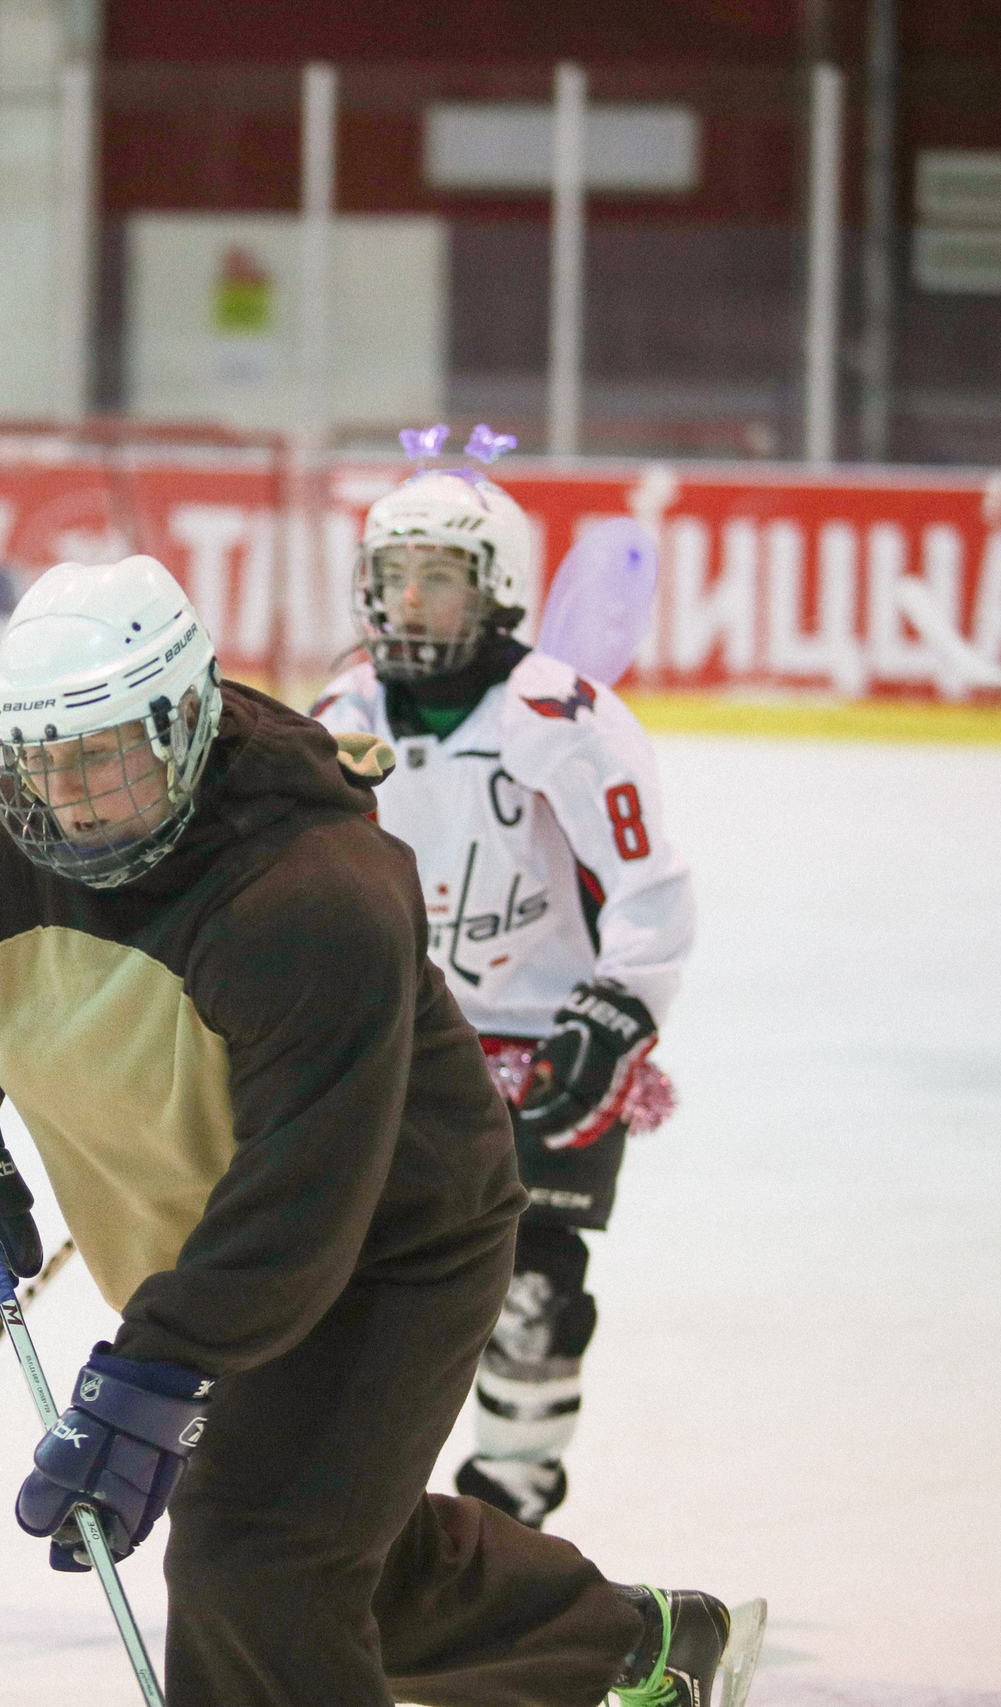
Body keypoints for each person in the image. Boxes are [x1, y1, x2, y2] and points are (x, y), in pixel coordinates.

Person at [0, 555, 758, 1707]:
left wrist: (153, 1370)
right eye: (43, 758)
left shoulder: (309, 895)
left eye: (105, 755)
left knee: (257, 1561)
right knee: (332, 1542)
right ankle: (635, 1643)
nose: (69, 796)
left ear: (184, 721)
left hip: (389, 1246)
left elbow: (303, 1200)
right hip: (202, 1236)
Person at [310, 460, 693, 1531]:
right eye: (393, 576)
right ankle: (361, 1514)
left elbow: (650, 885)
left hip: (547, 1036)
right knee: (368, 1284)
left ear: (501, 591)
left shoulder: (564, 718)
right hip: (405, 1040)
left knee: (531, 1296)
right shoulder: (340, 714)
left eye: (442, 576)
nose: (411, 602)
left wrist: (618, 1008)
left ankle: (510, 1510)